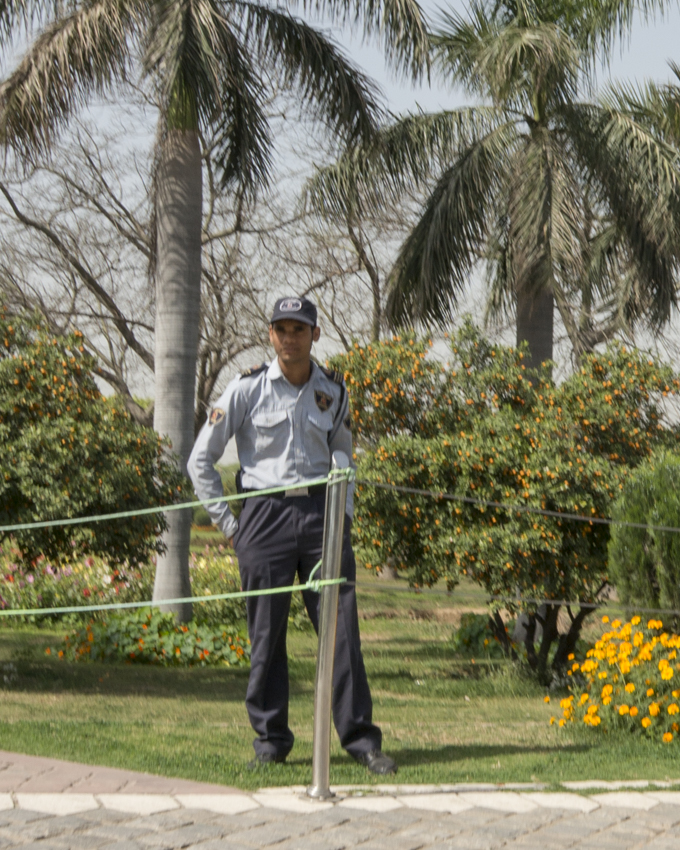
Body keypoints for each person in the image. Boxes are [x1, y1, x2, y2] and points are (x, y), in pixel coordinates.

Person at [188, 296, 396, 775]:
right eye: (281, 329)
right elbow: (200, 459)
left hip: (322, 516)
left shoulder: (332, 391)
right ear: (270, 335)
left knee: (341, 633)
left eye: (299, 329)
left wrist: (341, 513)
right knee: (266, 636)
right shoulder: (247, 390)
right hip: (263, 518)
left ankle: (361, 740)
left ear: (314, 335)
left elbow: (343, 451)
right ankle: (271, 742)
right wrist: (229, 524)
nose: (290, 338)